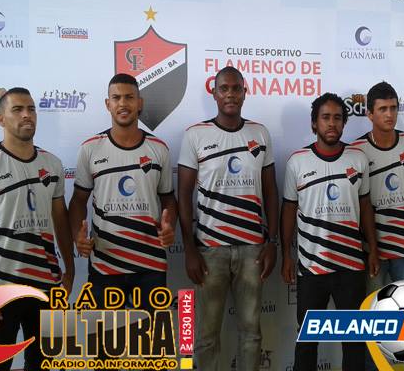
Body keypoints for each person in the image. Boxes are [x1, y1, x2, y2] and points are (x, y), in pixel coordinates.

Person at [0, 87, 75, 371]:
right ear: (1, 119)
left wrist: (70, 270)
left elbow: (60, 220)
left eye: (31, 109)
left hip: (47, 287)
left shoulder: (52, 163)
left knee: (42, 364)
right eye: (17, 109)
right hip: (1, 290)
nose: (27, 115)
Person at [69, 73, 176, 367]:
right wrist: (77, 236)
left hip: (150, 265)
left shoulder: (159, 149)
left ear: (140, 103)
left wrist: (170, 225)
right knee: (104, 352)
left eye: (129, 97)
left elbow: (169, 200)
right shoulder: (90, 148)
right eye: (116, 98)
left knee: (154, 351)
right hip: (106, 265)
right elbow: (77, 201)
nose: (123, 103)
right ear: (108, 104)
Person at [177, 66, 279, 371]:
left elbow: (270, 191)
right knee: (206, 336)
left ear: (245, 93)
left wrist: (272, 242)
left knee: (251, 334)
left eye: (236, 88)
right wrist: (190, 249)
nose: (230, 94)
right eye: (224, 88)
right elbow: (184, 194)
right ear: (214, 93)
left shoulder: (260, 134)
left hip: (252, 251)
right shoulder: (195, 135)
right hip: (210, 250)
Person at [281, 92, 380, 371]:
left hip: (351, 267)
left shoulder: (358, 159)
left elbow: (365, 206)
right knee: (307, 339)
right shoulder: (297, 161)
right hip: (312, 268)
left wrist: (373, 248)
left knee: (354, 341)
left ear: (344, 123)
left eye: (337, 118)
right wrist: (286, 255)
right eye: (325, 117)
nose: (332, 123)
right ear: (314, 123)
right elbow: (288, 210)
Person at [351, 82, 404, 370]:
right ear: (369, 114)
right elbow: (359, 203)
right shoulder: (356, 150)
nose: (389, 114)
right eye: (382, 109)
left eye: (393, 108)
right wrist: (370, 248)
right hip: (373, 251)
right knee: (374, 323)